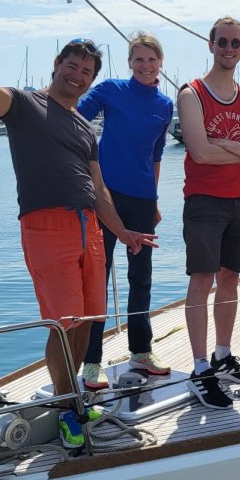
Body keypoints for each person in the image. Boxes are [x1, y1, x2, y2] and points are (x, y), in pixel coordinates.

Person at [0, 0, 155, 449]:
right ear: (57, 65)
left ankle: (75, 397)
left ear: (91, 80)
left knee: (87, 320)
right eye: (72, 66)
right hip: (47, 225)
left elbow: (100, 190)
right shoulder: (24, 104)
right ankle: (68, 409)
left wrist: (123, 232)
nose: (78, 75)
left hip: (91, 229)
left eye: (86, 71)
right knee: (64, 322)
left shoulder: (86, 128)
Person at [178, 17, 240, 410]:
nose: (229, 48)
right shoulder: (192, 95)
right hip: (204, 200)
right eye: (222, 42)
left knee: (230, 279)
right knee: (202, 280)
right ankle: (200, 368)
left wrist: (229, 145)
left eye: (235, 43)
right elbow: (200, 152)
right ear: (211, 44)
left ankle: (222, 355)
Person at [77, 32, 173, 388]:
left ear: (160, 62)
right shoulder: (110, 90)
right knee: (97, 279)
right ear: (129, 62)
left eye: (151, 59)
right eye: (139, 59)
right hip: (106, 196)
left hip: (143, 199)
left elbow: (156, 154)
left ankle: (141, 351)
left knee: (141, 279)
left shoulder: (165, 104)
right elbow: (73, 116)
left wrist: (155, 200)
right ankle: (91, 361)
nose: (145, 65)